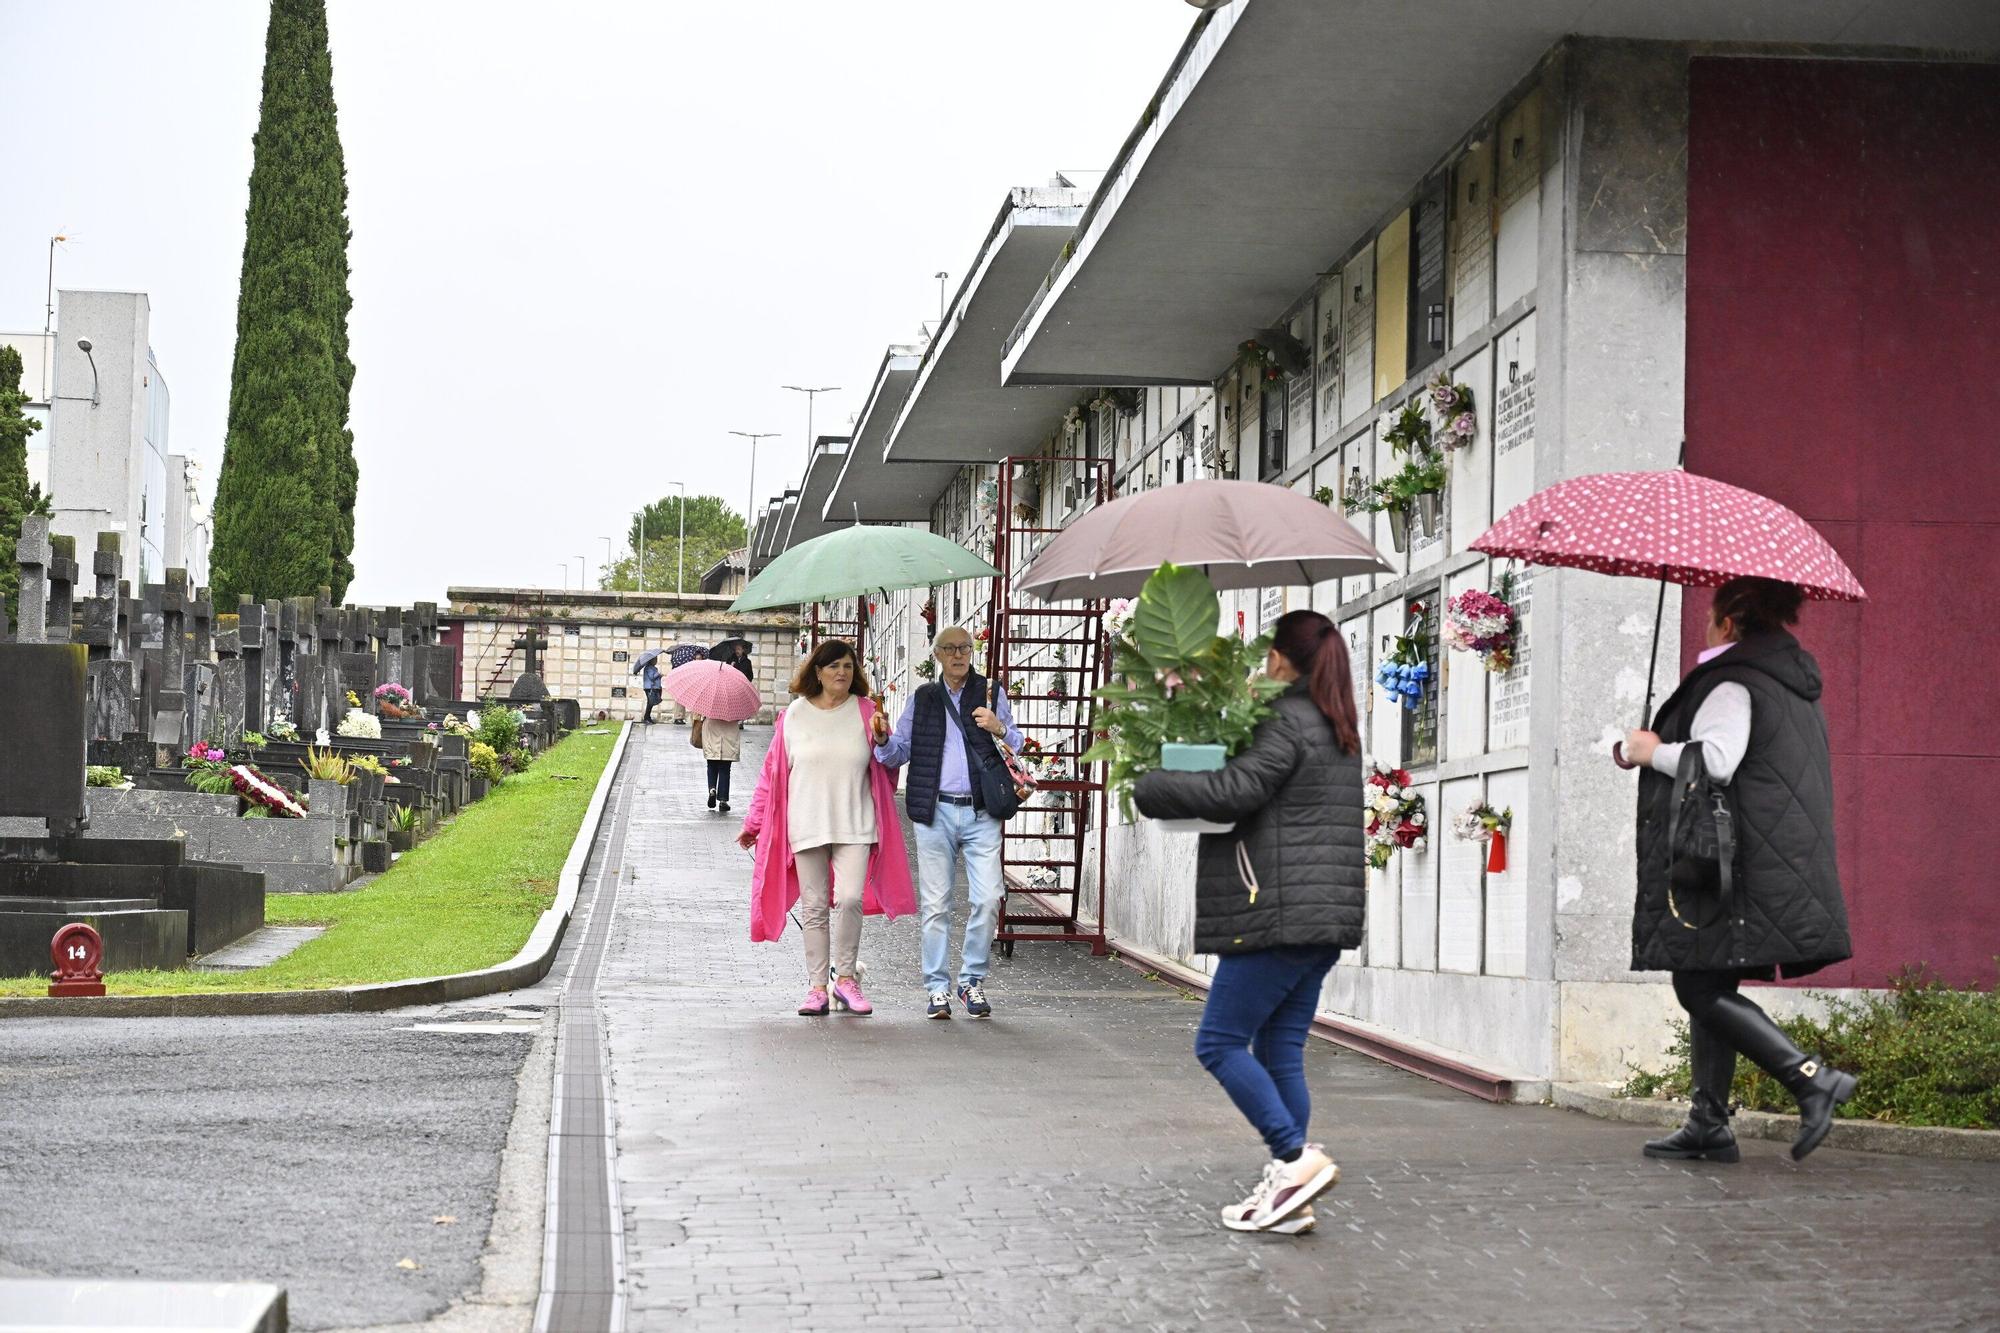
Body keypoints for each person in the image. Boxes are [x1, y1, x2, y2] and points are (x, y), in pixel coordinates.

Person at [1132, 610, 1363, 1235]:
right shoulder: (1335, 723)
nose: (1263, 665)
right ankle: (1292, 1197)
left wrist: (1154, 784)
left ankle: (1295, 1160)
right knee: (1280, 1049)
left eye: (1268, 655)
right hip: (1321, 917)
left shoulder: (1287, 719)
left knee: (1219, 1042)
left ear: (1284, 660)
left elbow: (1236, 791)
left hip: (1276, 913)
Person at [1621, 576, 1855, 1164]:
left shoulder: (1733, 680)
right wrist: (1640, 748)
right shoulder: (1781, 679)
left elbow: (1717, 760)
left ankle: (1810, 1078)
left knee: (1696, 983)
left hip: (1731, 864)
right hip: (1760, 858)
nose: (1705, 624)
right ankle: (1709, 1123)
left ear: (1728, 622)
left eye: (1710, 615)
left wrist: (1652, 752)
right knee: (1708, 973)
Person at [738, 639, 914, 1016]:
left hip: (857, 823)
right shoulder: (794, 716)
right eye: (833, 666)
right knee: (815, 907)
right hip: (805, 823)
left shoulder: (868, 711)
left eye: (848, 666)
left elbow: (890, 765)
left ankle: (846, 980)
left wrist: (882, 737)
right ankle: (818, 988)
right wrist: (754, 823)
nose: (841, 673)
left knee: (850, 898)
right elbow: (772, 775)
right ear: (817, 672)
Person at [871, 624, 1022, 1020]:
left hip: (982, 811)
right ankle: (937, 988)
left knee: (988, 897)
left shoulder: (990, 693)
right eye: (950, 649)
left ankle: (971, 981)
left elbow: (1019, 745)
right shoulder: (922, 699)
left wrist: (999, 727)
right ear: (936, 655)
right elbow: (895, 755)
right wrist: (883, 738)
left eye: (965, 648)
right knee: (936, 905)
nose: (959, 655)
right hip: (935, 812)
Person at [699, 711, 742, 814]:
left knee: (711, 764)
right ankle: (723, 800)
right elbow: (741, 718)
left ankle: (712, 789)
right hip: (729, 730)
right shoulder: (735, 701)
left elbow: (700, 716)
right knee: (725, 769)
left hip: (711, 729)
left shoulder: (708, 700)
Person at [639, 653, 663, 725]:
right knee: (650, 703)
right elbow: (652, 677)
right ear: (651, 661)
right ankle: (646, 718)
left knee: (651, 703)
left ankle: (648, 717)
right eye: (655, 660)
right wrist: (658, 674)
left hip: (654, 687)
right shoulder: (648, 668)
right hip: (650, 688)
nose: (656, 661)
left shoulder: (653, 668)